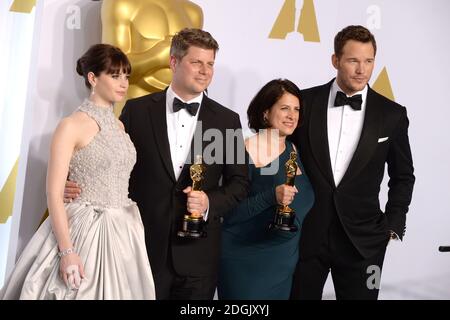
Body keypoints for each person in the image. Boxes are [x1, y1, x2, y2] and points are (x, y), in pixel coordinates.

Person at [65, 28, 249, 299]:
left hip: (198, 257)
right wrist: (71, 184)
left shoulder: (227, 121)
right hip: (139, 248)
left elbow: (240, 183)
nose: (205, 71)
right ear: (173, 62)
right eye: (196, 62)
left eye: (210, 64)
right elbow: (107, 160)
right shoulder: (135, 110)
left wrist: (209, 202)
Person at [0, 44, 155, 299]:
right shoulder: (70, 126)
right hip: (84, 231)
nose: (123, 83)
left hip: (124, 231)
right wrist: (67, 252)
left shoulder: (119, 126)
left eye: (126, 76)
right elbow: (53, 193)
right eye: (115, 75)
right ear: (93, 78)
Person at [289, 25, 415, 300]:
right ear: (335, 60)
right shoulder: (304, 102)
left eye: (368, 61)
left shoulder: (392, 114)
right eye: (353, 60)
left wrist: (393, 224)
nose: (362, 70)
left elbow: (403, 175)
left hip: (365, 241)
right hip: (306, 234)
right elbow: (278, 151)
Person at [218, 79, 314, 300]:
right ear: (265, 113)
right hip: (246, 262)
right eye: (284, 108)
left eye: (296, 109)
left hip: (284, 265)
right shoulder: (243, 150)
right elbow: (228, 213)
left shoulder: (294, 149)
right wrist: (272, 196)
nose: (292, 115)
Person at [101, 0, 203, 100]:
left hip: (183, 105)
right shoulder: (121, 4)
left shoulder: (193, 12)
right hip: (136, 102)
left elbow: (199, 66)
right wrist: (157, 57)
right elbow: (111, 68)